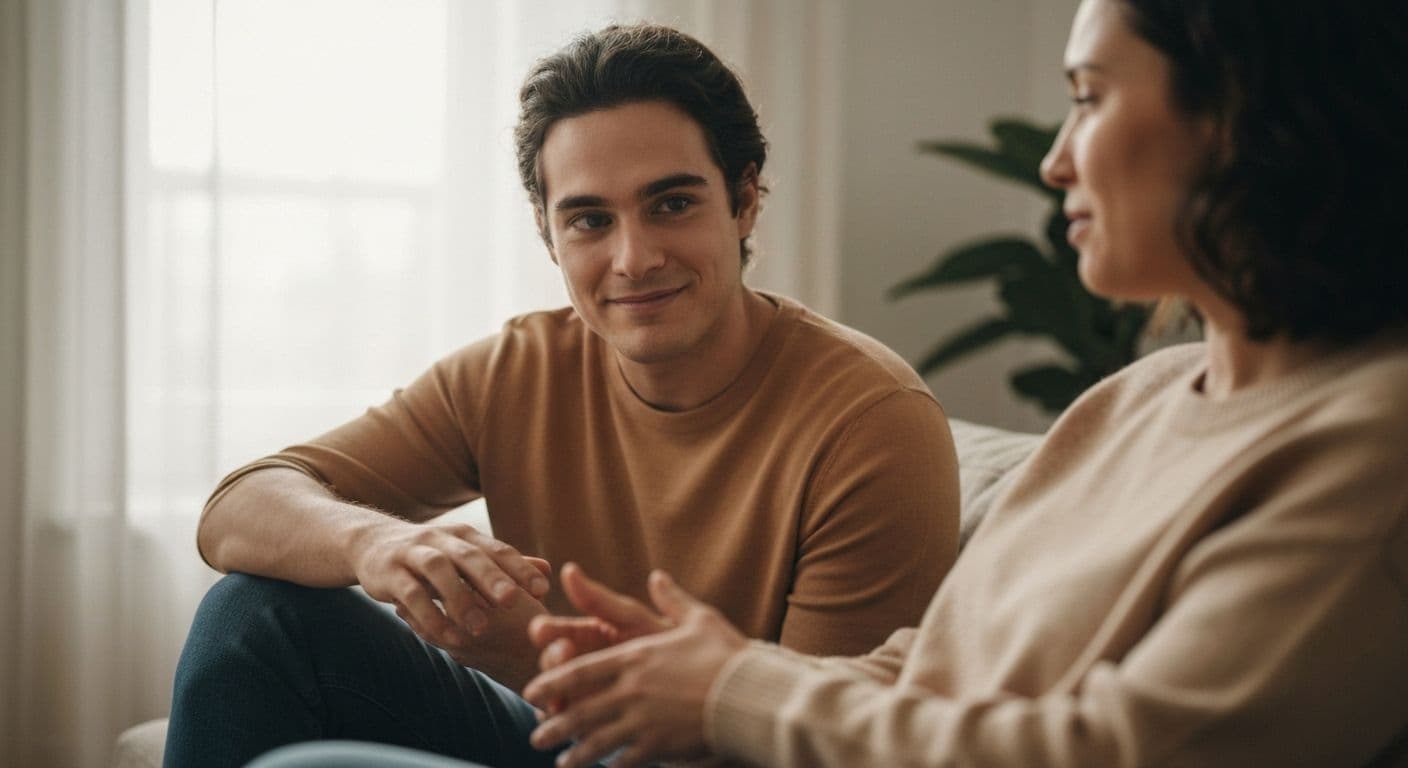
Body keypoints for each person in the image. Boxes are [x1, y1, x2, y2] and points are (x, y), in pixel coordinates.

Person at [510, 1, 1408, 766]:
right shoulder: (1137, 398)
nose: (1056, 162)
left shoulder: (1372, 444)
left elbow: (1120, 749)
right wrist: (690, 672)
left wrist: (732, 691)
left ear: (1244, 118)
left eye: (1089, 98)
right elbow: (932, 666)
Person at [163, 22, 960, 768]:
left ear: (744, 198)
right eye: (589, 220)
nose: (633, 258)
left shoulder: (871, 422)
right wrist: (375, 545)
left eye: (672, 204)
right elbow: (238, 507)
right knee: (250, 618)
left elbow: (818, 745)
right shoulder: (518, 369)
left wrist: (529, 649)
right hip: (559, 734)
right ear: (548, 234)